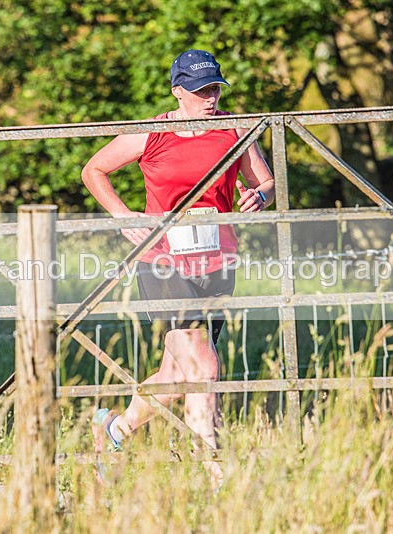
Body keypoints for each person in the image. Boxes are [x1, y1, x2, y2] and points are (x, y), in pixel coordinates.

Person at [81, 49, 275, 487]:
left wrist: (260, 195)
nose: (210, 98)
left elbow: (265, 180)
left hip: (217, 260)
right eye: (201, 90)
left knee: (177, 374)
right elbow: (94, 170)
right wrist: (122, 215)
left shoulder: (234, 128)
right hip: (163, 261)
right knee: (204, 369)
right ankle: (216, 473)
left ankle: (114, 430)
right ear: (178, 91)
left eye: (215, 89)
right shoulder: (152, 133)